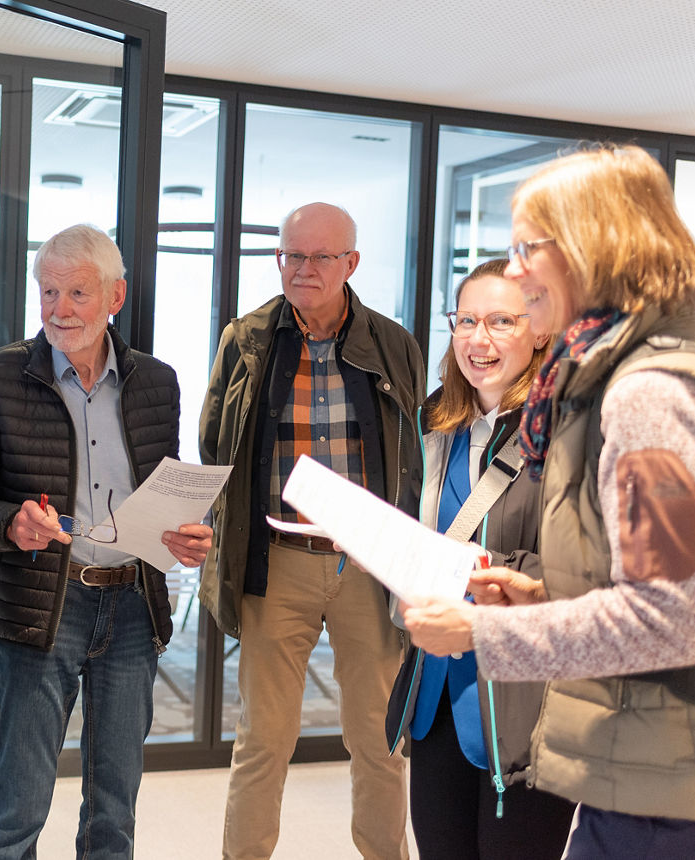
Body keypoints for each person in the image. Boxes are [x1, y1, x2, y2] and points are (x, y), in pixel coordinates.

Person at [402, 145, 695, 855]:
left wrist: (481, 633)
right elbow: (681, 593)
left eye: (526, 248)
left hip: (684, 790)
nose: (512, 271)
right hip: (669, 772)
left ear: (589, 247)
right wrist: (545, 596)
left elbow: (671, 622)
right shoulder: (656, 369)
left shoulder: (652, 395)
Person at [0, 224, 213, 859]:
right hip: (42, 608)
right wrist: (10, 524)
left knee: (115, 804)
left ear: (116, 297)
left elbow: (162, 498)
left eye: (77, 294)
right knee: (21, 801)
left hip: (132, 610)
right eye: (49, 293)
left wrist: (186, 538)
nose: (60, 310)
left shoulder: (158, 383)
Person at [200, 201, 425, 860]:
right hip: (279, 559)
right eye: (291, 255)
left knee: (379, 740)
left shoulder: (391, 343)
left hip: (367, 565)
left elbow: (415, 452)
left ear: (350, 263)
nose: (303, 269)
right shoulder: (247, 339)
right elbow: (216, 443)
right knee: (263, 741)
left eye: (320, 257)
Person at [383, 259, 574, 859]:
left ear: (539, 329)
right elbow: (417, 530)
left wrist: (493, 563)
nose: (477, 339)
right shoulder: (434, 421)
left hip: (524, 701)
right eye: (465, 320)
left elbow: (585, 568)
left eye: (500, 321)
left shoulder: (566, 429)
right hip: (437, 692)